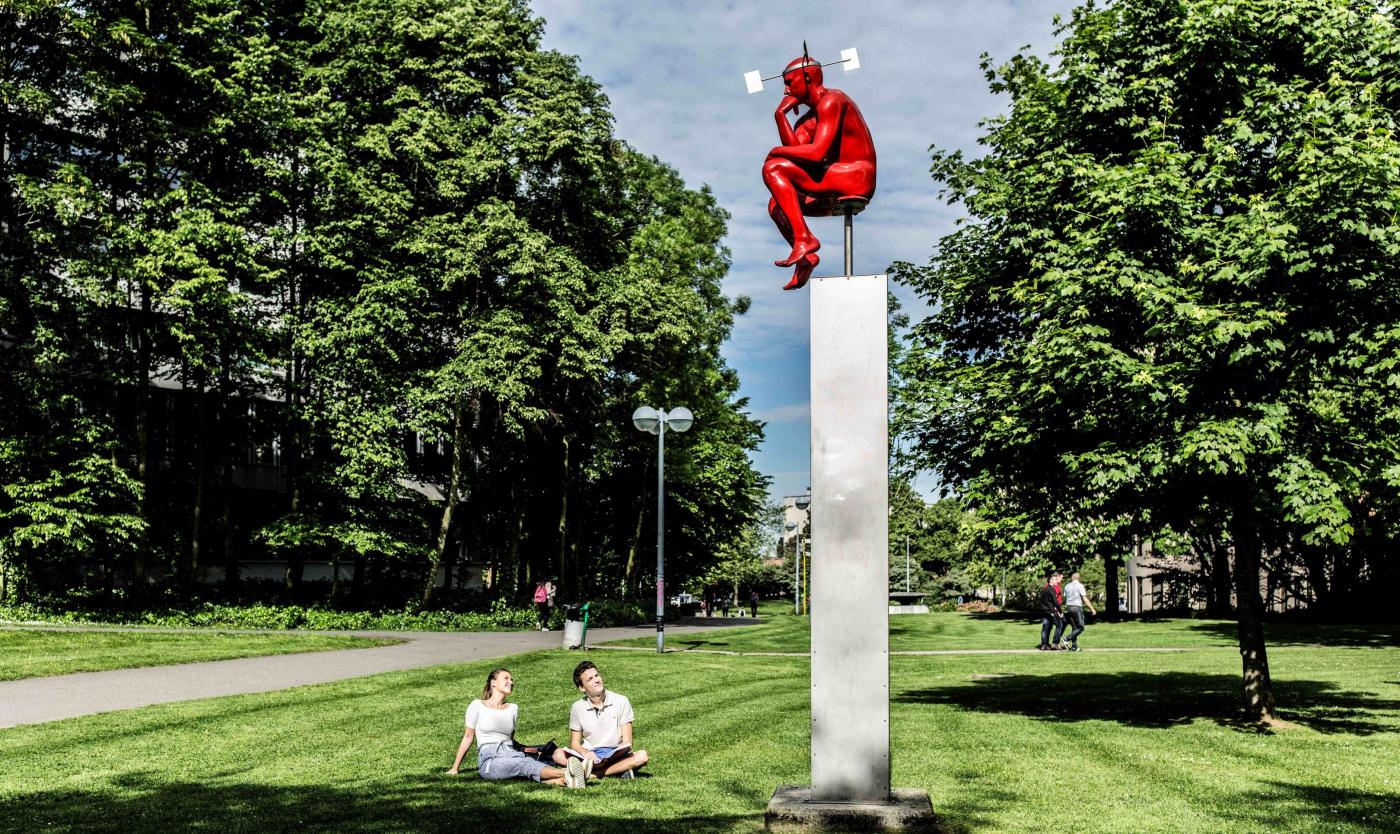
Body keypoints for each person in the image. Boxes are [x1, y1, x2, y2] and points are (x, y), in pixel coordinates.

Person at [763, 53, 878, 290]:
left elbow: (816, 154)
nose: (786, 91)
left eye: (789, 83)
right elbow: (798, 157)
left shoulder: (832, 100)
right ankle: (806, 257)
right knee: (776, 205)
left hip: (855, 175)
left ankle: (805, 239)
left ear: (807, 77)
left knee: (774, 166)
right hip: (834, 178)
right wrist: (780, 116)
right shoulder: (807, 119)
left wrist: (776, 151)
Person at [447, 668, 577, 787]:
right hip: (490, 759)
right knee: (524, 764)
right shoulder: (477, 705)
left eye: (511, 679)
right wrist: (455, 768)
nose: (511, 682)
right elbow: (468, 737)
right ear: (493, 683)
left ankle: (565, 781)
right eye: (506, 678)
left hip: (510, 753)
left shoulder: (513, 708)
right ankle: (568, 772)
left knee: (526, 765)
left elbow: (511, 738)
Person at [552, 661, 650, 779]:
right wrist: (586, 754)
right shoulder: (577, 707)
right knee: (557, 754)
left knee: (642, 756)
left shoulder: (621, 701)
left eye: (597, 675)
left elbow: (628, 742)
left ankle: (593, 774)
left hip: (615, 754)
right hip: (590, 754)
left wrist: (616, 754)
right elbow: (575, 743)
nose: (596, 680)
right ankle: (618, 770)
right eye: (590, 679)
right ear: (582, 687)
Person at [1062, 571, 1098, 651]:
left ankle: (1074, 646)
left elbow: (1065, 597)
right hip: (1077, 607)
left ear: (1072, 578)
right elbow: (1084, 598)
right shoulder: (1080, 586)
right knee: (1081, 627)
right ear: (1079, 578)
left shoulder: (1067, 586)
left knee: (1074, 627)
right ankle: (1066, 639)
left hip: (1069, 607)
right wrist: (1092, 608)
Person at [1037, 570, 1067, 651]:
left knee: (1046, 627)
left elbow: (1042, 601)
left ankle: (1044, 644)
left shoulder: (1044, 589)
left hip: (1044, 611)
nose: (1056, 581)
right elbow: (1056, 602)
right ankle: (1055, 643)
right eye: (1055, 580)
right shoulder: (1051, 589)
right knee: (1059, 625)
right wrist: (1060, 612)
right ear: (1051, 580)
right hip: (1051, 611)